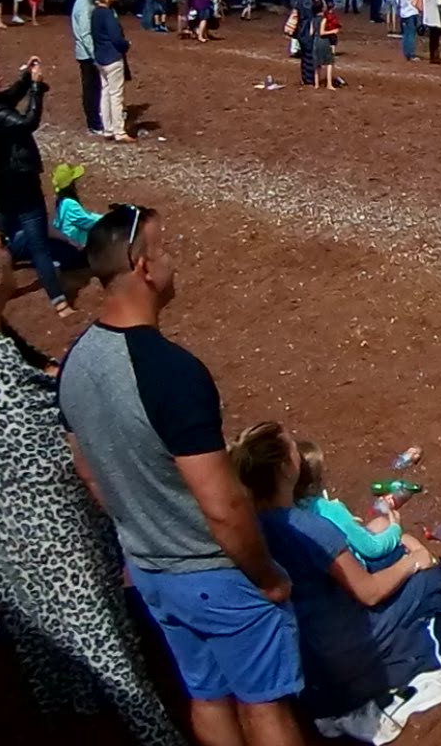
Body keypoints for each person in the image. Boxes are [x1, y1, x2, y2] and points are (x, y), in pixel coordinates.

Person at [0, 216, 185, 743]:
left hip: (24, 552)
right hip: (54, 554)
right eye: (0, 248)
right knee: (119, 676)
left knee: (85, 680)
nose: (13, 252)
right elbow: (50, 462)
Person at [57, 203, 310, 746]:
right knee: (265, 705)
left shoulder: (76, 361)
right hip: (213, 574)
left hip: (151, 570)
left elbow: (89, 471)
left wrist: (143, 530)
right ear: (143, 265)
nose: (173, 259)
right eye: (164, 247)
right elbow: (222, 505)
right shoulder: (171, 372)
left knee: (207, 694)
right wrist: (266, 577)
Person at [232, 422, 441, 721]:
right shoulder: (308, 527)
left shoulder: (250, 524)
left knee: (392, 555)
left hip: (310, 641)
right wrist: (414, 562)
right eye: (292, 447)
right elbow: (369, 593)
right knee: (435, 580)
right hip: (344, 643)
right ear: (286, 468)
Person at [0, 50, 76, 311]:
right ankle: (59, 301)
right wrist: (37, 87)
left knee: (1, 234)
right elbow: (28, 122)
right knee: (38, 242)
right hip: (21, 181)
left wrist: (26, 78)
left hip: (0, 181)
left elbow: (10, 96)